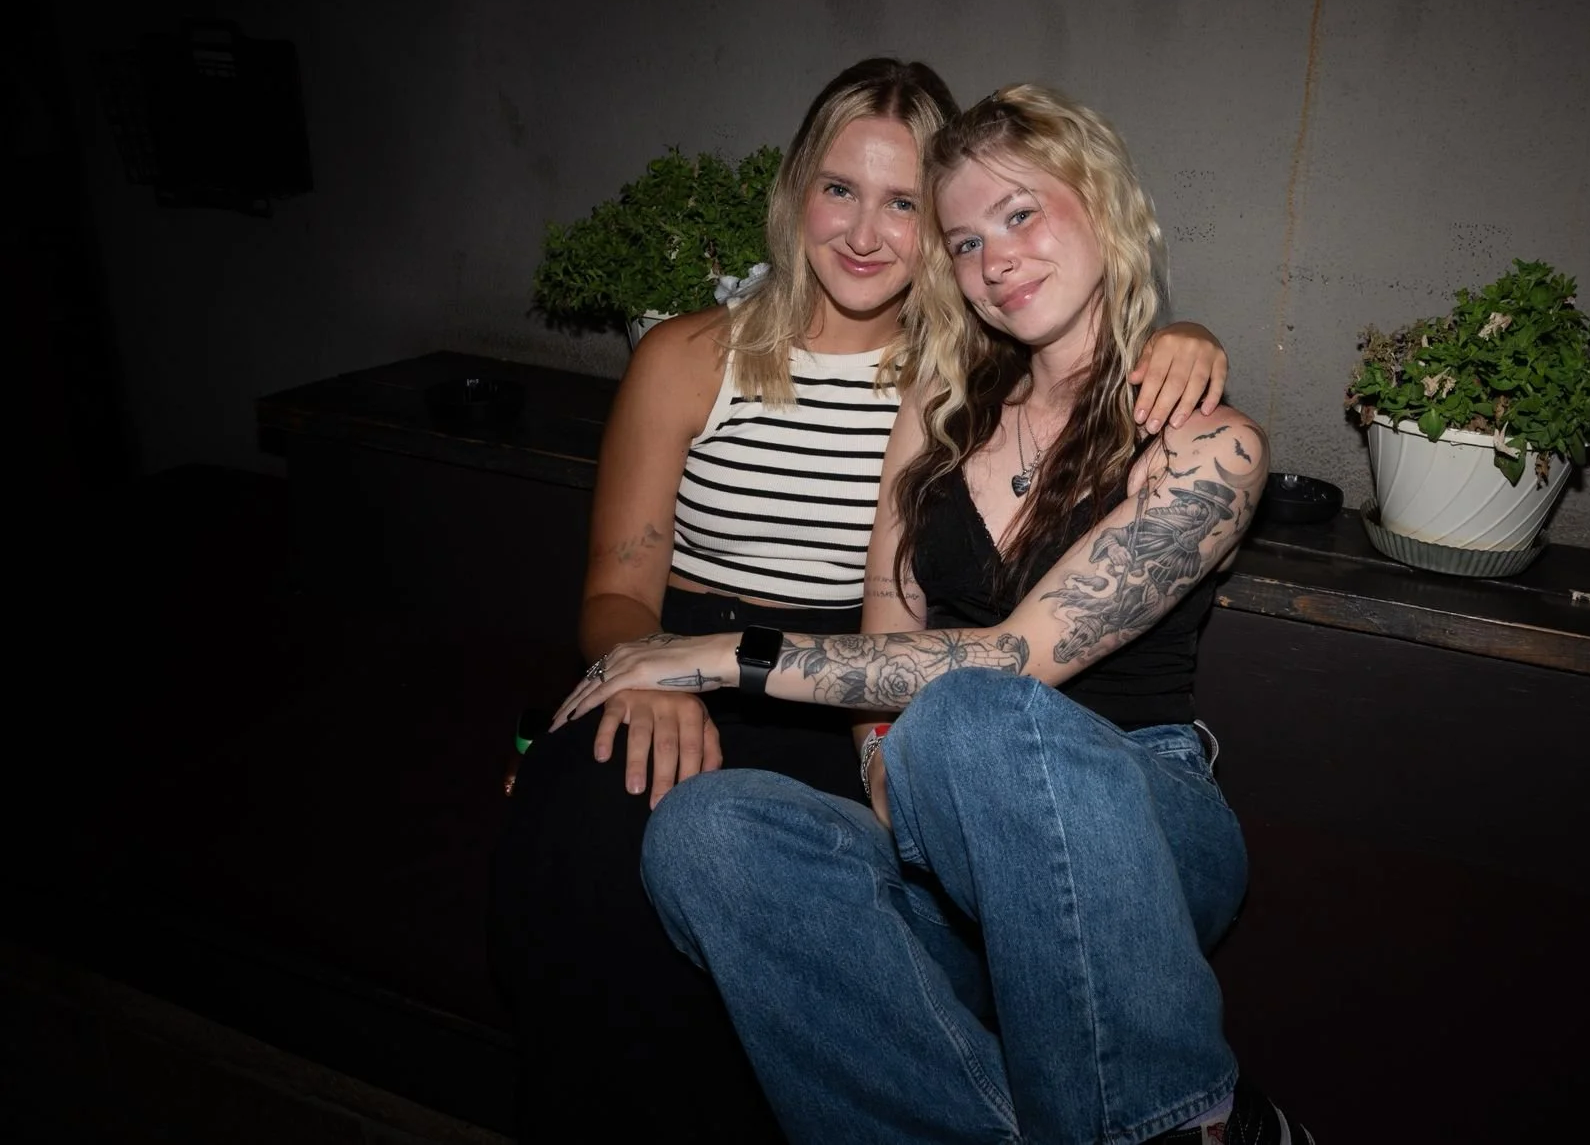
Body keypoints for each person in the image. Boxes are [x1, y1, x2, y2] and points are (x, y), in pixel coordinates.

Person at [488, 59, 1231, 1143]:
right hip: (701, 655)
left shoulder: (948, 383)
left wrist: (1180, 334)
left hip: (863, 693)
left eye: (907, 207)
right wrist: (658, 668)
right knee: (602, 835)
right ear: (795, 192)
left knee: (806, 860)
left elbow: (1087, 370)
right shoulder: (691, 354)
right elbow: (616, 586)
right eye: (841, 189)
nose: (868, 232)